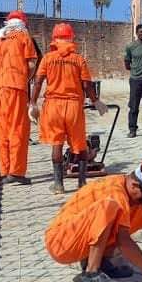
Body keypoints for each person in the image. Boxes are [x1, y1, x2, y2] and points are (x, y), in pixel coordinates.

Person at [29, 23, 108, 194]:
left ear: (54, 39)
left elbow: (38, 82)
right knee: (79, 146)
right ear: (71, 38)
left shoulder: (48, 59)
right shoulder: (79, 59)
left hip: (53, 107)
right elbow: (87, 84)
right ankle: (81, 183)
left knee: (56, 145)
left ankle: (58, 185)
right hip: (73, 107)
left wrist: (33, 103)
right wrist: (96, 101)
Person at [0, 10, 38, 184]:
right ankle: (15, 172)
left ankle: (4, 170)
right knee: (18, 128)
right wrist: (23, 79)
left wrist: (1, 81)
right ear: (23, 24)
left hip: (0, 89)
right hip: (16, 88)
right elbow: (31, 64)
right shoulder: (24, 38)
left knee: (2, 129)